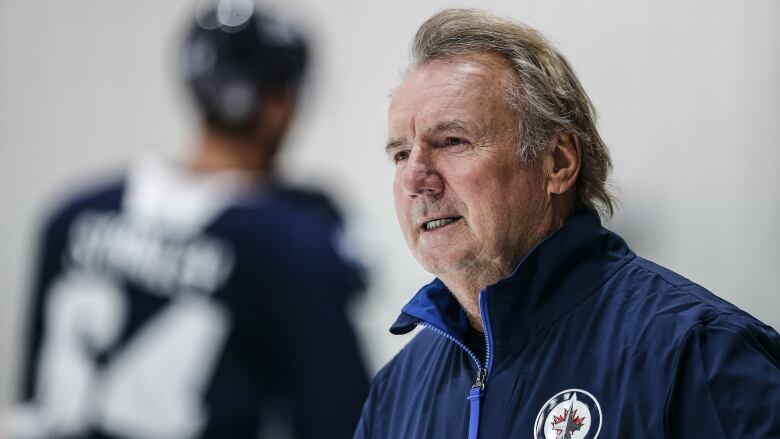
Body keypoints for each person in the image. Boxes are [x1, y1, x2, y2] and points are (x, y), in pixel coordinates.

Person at [355, 8, 780, 439]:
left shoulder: (697, 354)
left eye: (452, 142)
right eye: (401, 154)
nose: (415, 179)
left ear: (557, 162)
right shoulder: (397, 391)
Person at [7, 3, 369, 438]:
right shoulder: (294, 243)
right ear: (279, 104)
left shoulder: (72, 215)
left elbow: (31, 399)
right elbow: (343, 419)